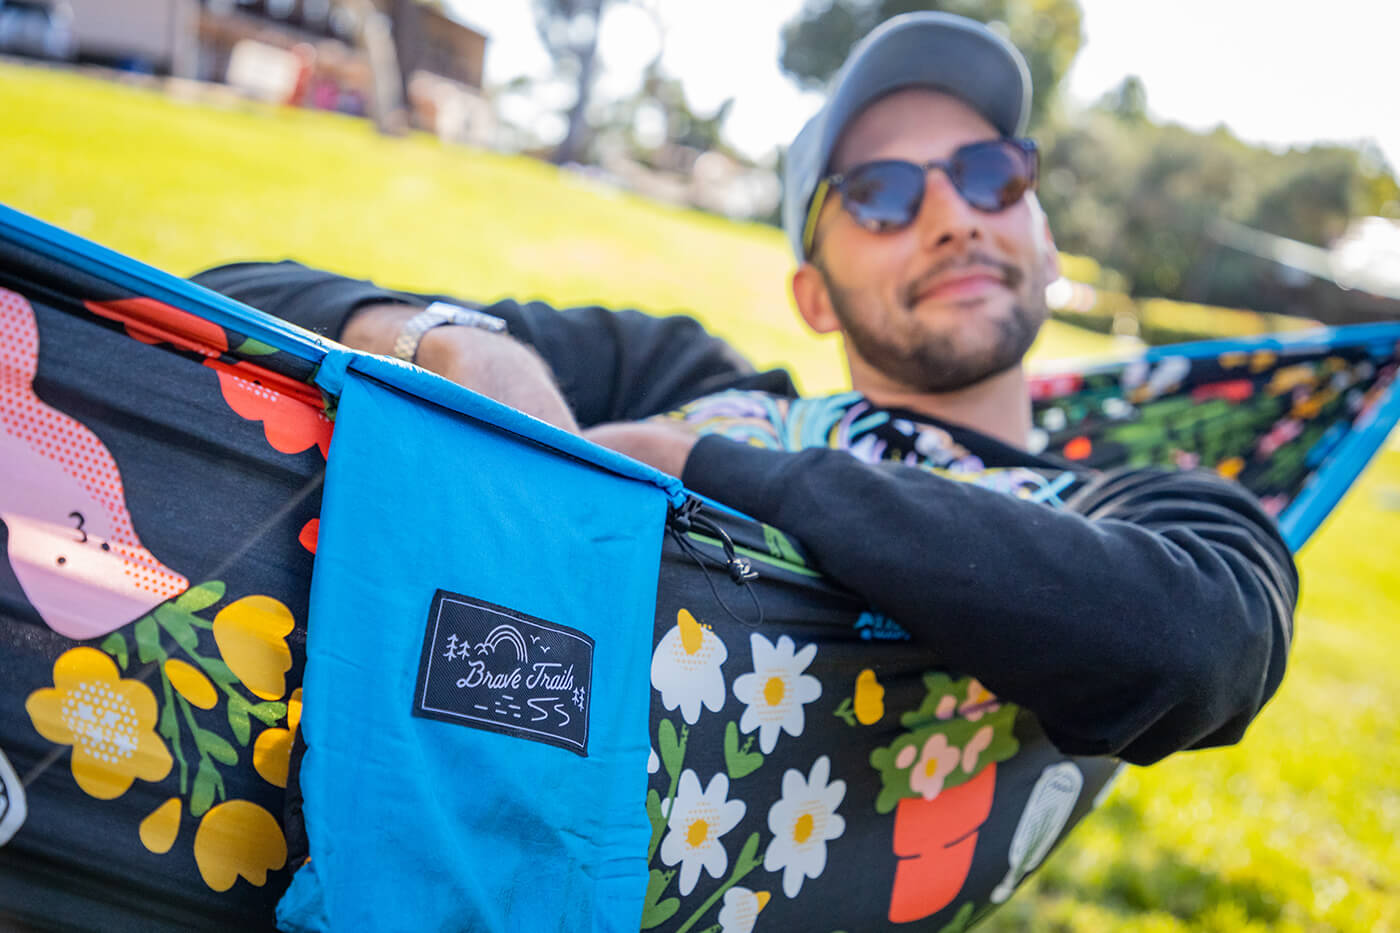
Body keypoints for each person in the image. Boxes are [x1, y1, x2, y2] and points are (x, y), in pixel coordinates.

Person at [194, 12, 1294, 769]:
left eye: (989, 175)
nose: (953, 215)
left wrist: (702, 467)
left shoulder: (1139, 513)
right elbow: (224, 295)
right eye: (877, 195)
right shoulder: (679, 374)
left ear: (1041, 233)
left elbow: (1191, 648)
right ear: (812, 296)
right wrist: (444, 341)